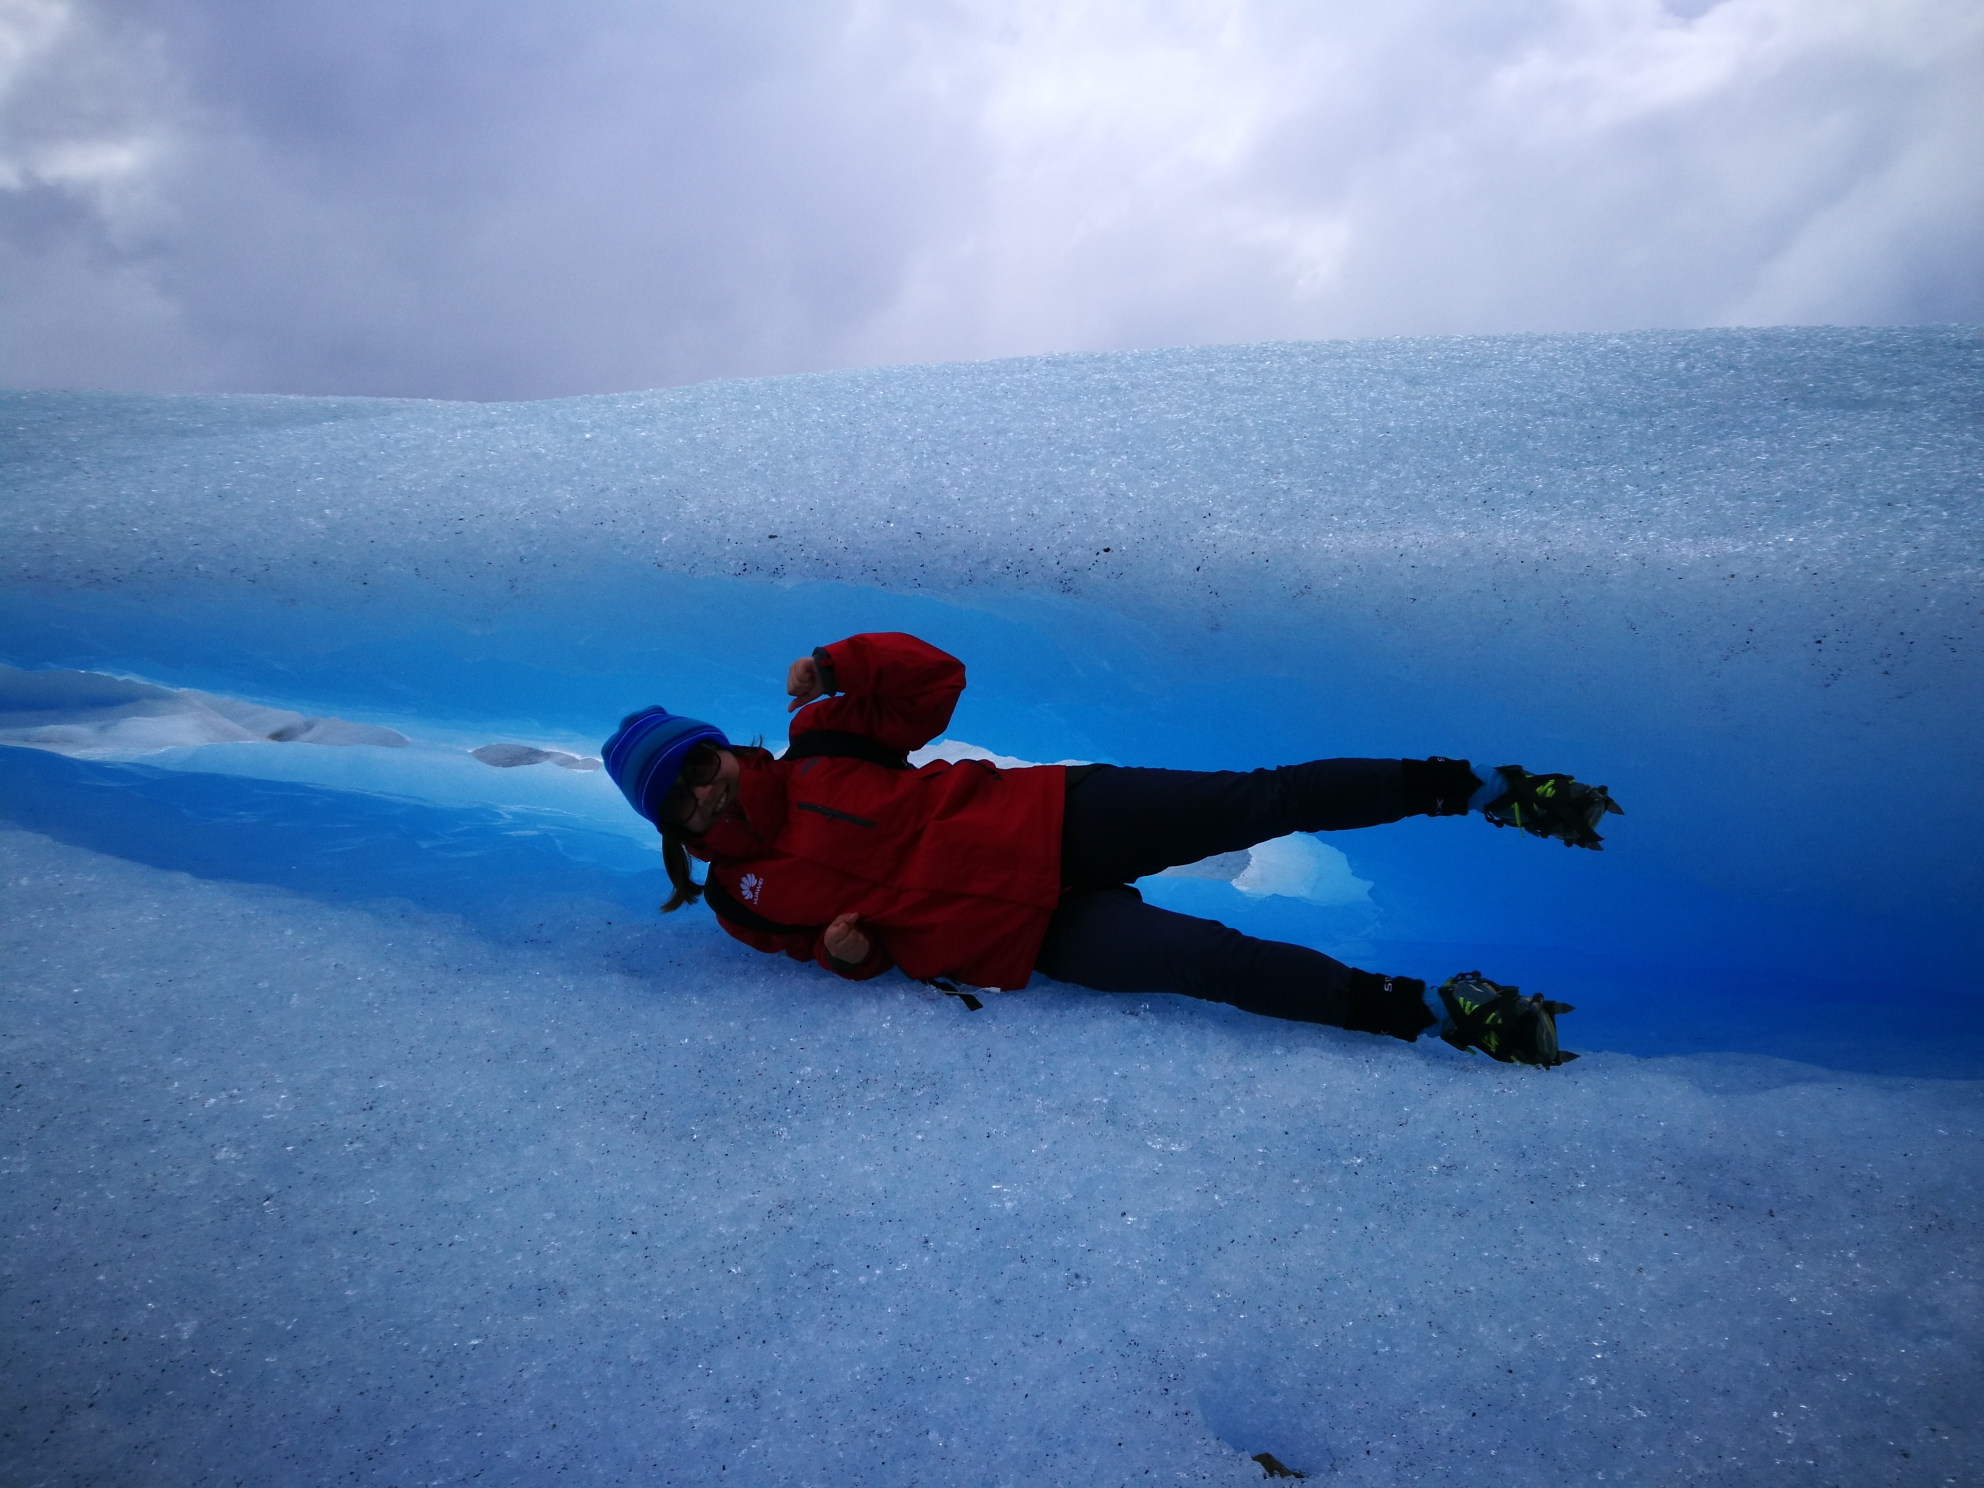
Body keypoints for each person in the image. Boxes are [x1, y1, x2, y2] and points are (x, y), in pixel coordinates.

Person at [603, 632, 1621, 1067]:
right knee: (1209, 964)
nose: (704, 791)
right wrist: (844, 954)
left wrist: (837, 664)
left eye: (699, 764)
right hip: (1023, 936)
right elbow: (807, 952)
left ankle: (1481, 789)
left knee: (1256, 802)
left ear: (720, 748)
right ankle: (1442, 1016)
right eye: (679, 798)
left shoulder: (821, 744)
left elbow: (931, 682)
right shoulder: (738, 901)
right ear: (671, 828)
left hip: (1053, 817)